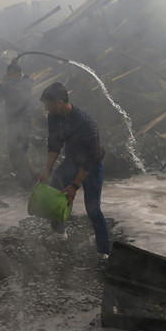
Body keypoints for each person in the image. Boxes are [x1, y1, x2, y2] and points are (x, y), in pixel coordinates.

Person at [37, 82, 111, 259]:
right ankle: (59, 232)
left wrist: (74, 186)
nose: (46, 108)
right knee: (54, 186)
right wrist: (47, 170)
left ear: (60, 102)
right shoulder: (54, 117)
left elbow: (91, 159)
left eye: (48, 104)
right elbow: (54, 144)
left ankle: (104, 251)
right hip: (71, 161)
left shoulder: (86, 123)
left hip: (91, 165)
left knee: (93, 208)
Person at [0, 60, 34, 187]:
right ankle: (28, 179)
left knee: (17, 153)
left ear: (18, 74)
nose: (9, 77)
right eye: (8, 74)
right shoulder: (25, 82)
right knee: (18, 153)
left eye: (11, 74)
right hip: (18, 123)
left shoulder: (16, 85)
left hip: (19, 123)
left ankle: (27, 182)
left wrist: (4, 83)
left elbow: (0, 98)